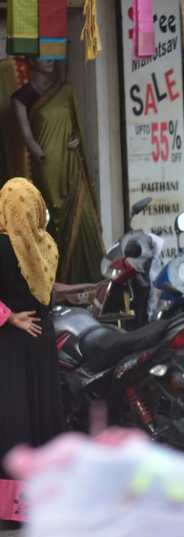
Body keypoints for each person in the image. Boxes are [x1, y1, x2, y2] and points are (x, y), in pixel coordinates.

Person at [0, 178, 64, 521]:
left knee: (15, 420)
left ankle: (14, 508)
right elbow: (50, 295)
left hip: (11, 346)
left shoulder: (2, 244)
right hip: (40, 339)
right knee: (42, 413)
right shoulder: (46, 244)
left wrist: (9, 318)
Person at [11, 59, 104, 283]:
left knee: (83, 215)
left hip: (71, 160)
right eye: (43, 54)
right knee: (54, 216)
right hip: (47, 164)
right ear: (32, 60)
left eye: (52, 53)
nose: (49, 59)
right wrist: (38, 151)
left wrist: (75, 138)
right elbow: (28, 138)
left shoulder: (65, 90)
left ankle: (89, 275)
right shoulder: (21, 98)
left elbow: (76, 126)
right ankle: (59, 279)